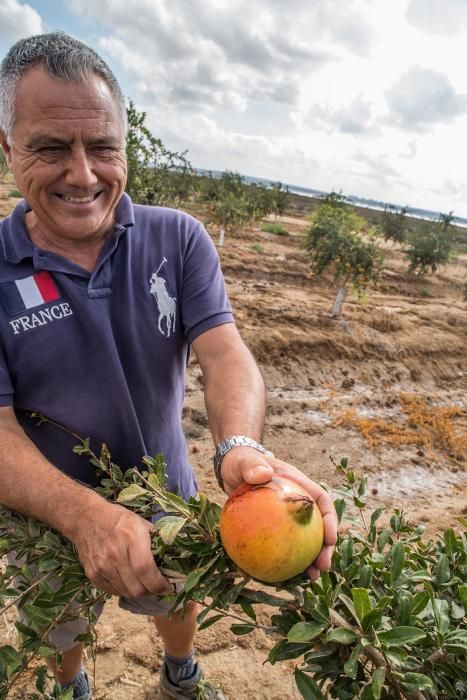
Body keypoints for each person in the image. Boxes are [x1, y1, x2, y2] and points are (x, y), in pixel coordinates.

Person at [0, 31, 338, 700]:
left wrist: (240, 446)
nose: (83, 174)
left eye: (101, 148)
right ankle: (74, 685)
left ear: (124, 148)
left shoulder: (176, 237)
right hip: (46, 511)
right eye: (49, 148)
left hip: (165, 498)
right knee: (61, 623)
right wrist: (82, 516)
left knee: (176, 598)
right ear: (7, 148)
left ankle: (179, 671)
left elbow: (223, 351)